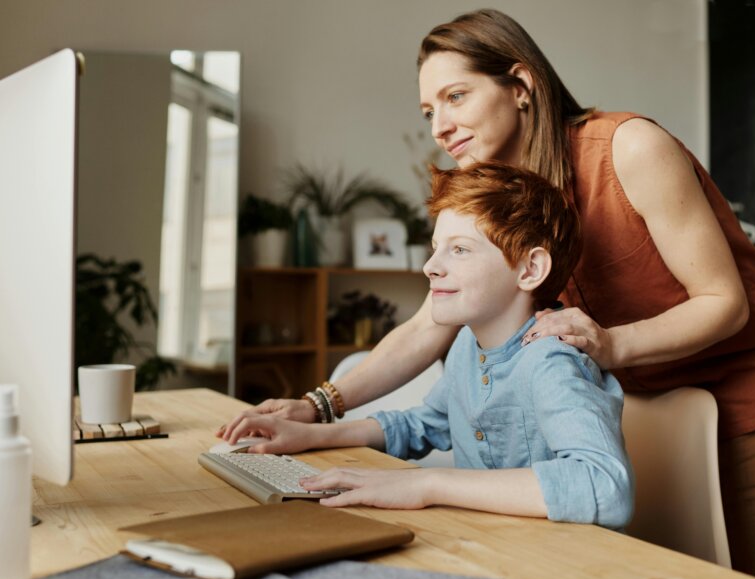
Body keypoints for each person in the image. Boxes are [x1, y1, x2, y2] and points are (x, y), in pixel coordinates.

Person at [220, 9, 755, 579]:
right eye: (428, 110)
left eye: (456, 97)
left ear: (520, 84)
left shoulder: (629, 147)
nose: (440, 126)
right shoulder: (496, 191)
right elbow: (426, 326)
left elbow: (724, 302)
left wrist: (610, 343)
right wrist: (317, 404)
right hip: (640, 405)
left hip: (749, 397)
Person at [226, 162, 634, 528]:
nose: (430, 265)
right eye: (436, 247)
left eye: (459, 249)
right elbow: (425, 425)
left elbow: (604, 485)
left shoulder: (551, 361)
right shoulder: (465, 347)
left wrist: (428, 484)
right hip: (487, 543)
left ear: (530, 269)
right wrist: (311, 434)